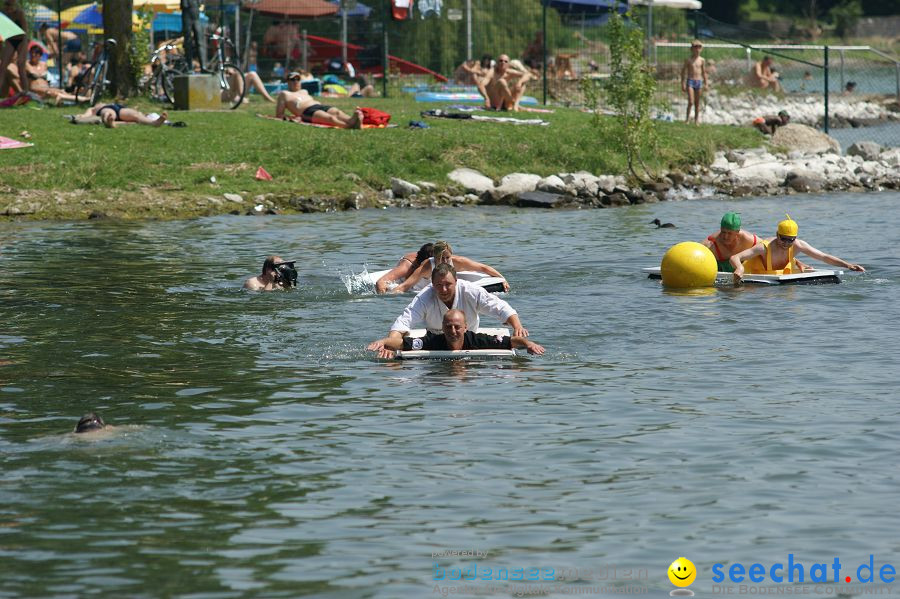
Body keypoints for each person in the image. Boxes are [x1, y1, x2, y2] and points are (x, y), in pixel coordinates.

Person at [367, 263, 528, 355]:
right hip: (435, 341)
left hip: (469, 339)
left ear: (456, 281)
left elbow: (501, 308)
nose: (443, 290)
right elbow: (403, 322)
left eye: (448, 285)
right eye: (438, 285)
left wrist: (517, 326)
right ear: (432, 283)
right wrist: (389, 346)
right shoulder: (424, 296)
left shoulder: (472, 291)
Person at [730, 215, 866, 282]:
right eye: (783, 239)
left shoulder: (798, 245)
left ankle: (800, 265)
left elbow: (823, 257)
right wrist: (739, 268)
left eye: (791, 240)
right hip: (754, 277)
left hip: (780, 278)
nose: (786, 243)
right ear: (777, 235)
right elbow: (735, 257)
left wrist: (847, 265)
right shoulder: (765, 247)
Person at [370, 309, 545, 359]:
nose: (452, 331)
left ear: (465, 327)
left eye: (457, 327)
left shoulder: (478, 340)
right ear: (442, 327)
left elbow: (512, 341)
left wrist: (529, 344)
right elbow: (402, 343)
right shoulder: (433, 341)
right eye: (448, 327)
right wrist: (383, 342)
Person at [390, 240, 510, 293]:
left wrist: (502, 279)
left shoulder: (458, 261)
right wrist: (389, 297)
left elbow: (483, 268)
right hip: (420, 287)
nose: (445, 261)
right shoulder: (427, 266)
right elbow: (406, 286)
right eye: (441, 258)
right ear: (435, 258)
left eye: (448, 257)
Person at [274, 71, 362, 128]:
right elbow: (279, 114)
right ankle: (349, 126)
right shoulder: (284, 94)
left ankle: (352, 120)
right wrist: (290, 118)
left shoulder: (304, 91)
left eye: (298, 79)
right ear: (288, 82)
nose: (296, 81)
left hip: (318, 105)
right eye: (293, 80)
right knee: (330, 118)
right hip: (306, 111)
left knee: (337, 112)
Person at [0, 0, 29, 95]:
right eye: (6, 6)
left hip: (22, 40)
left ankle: (26, 93)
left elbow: (25, 33)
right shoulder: (3, 14)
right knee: (3, 67)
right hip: (10, 40)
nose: (8, 9)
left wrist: (22, 53)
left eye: (10, 6)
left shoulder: (19, 13)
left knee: (21, 66)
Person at [680, 40, 708, 125]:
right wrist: (683, 83)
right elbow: (683, 72)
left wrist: (706, 83)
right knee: (691, 101)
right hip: (690, 81)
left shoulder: (702, 60)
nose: (697, 49)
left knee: (697, 102)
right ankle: (687, 119)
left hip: (698, 81)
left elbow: (704, 72)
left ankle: (696, 120)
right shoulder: (688, 60)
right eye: (695, 47)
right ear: (692, 49)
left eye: (699, 47)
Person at [78, 103, 168, 128]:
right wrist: (84, 115)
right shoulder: (98, 106)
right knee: (108, 113)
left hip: (120, 109)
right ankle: (109, 121)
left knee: (135, 115)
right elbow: (90, 111)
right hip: (106, 108)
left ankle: (154, 122)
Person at [181, 0, 205, 71]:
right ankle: (189, 67)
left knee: (200, 42)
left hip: (196, 16)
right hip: (187, 14)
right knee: (188, 42)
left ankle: (203, 66)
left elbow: (200, 3)